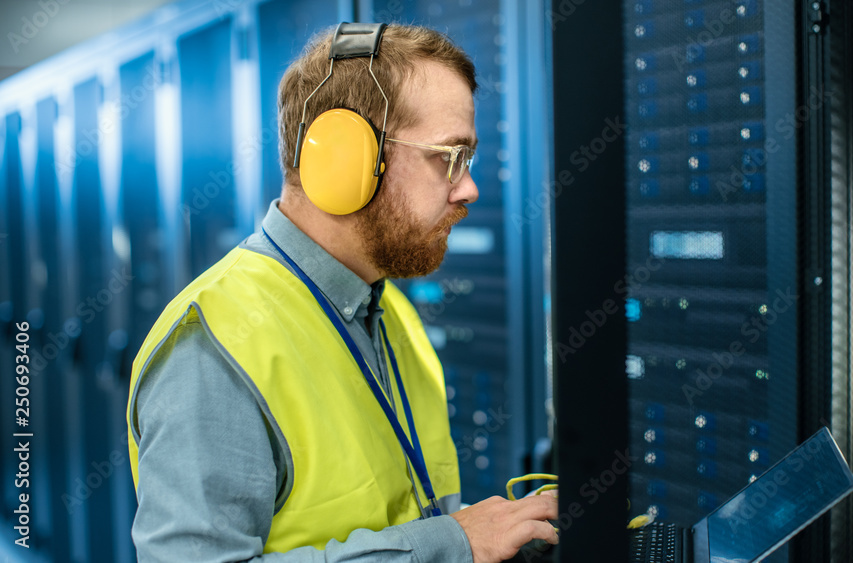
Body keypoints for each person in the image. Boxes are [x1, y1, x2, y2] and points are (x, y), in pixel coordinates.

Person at [126, 23, 558, 562]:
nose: (468, 188)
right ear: (344, 160)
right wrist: (451, 544)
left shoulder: (386, 308)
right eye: (450, 156)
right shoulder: (214, 346)